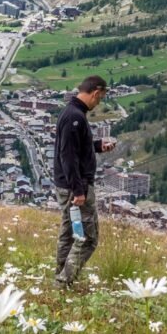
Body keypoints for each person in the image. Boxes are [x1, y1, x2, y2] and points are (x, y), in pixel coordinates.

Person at [53, 75, 115, 286]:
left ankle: (60, 276)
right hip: (76, 187)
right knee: (88, 239)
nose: (98, 103)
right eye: (100, 99)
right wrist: (79, 191)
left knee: (69, 234)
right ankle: (64, 282)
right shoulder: (75, 117)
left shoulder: (72, 113)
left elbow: (76, 148)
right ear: (95, 93)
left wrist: (97, 146)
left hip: (67, 185)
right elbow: (67, 156)